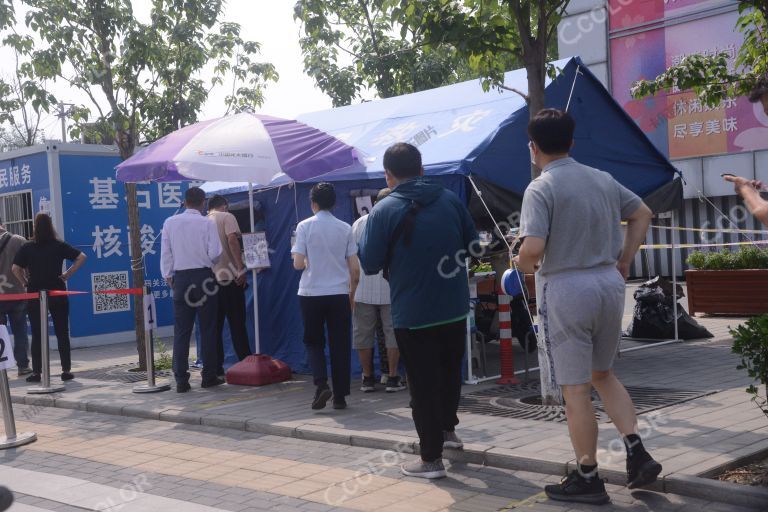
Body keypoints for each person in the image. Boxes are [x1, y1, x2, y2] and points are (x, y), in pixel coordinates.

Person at [515, 109, 658, 504]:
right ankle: (636, 450)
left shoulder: (540, 188)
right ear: (572, 143)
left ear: (533, 148)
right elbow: (642, 212)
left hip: (566, 288)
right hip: (609, 285)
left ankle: (589, 476)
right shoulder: (602, 179)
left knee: (575, 391)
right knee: (604, 374)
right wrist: (626, 258)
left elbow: (533, 249)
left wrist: (521, 264)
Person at [359, 143, 478, 480]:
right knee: (449, 373)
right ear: (422, 169)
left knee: (422, 385)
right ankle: (447, 432)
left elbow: (368, 263)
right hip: (454, 307)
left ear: (388, 175)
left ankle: (430, 459)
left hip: (413, 312)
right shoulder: (450, 200)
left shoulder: (382, 211)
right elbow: (474, 246)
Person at [292, 182, 358, 411]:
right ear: (335, 203)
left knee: (314, 341)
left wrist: (307, 260)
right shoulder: (345, 228)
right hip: (339, 292)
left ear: (313, 203)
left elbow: (298, 264)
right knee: (340, 343)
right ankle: (340, 397)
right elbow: (354, 268)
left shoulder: (304, 226)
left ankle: (321, 384)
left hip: (311, 292)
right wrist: (352, 294)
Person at [160, 187, 223, 392]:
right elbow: (215, 252)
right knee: (208, 329)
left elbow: (166, 253)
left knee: (182, 330)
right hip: (203, 276)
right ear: (203, 202)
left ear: (184, 202)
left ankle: (181, 379)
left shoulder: (170, 222)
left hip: (181, 278)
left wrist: (169, 275)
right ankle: (209, 376)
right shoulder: (207, 223)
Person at [12, 213, 86, 383]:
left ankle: (37, 372)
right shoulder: (58, 245)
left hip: (35, 294)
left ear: (34, 227)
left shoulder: (28, 247)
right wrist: (67, 274)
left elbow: (15, 268)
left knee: (37, 334)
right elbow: (82, 257)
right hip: (57, 293)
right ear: (51, 226)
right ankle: (66, 370)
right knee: (62, 332)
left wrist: (25, 282)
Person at [350, 188, 405, 393]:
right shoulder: (398, 222)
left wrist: (351, 289)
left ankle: (367, 378)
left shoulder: (358, 223)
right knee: (393, 333)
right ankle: (392, 377)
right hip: (391, 289)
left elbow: (352, 261)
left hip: (363, 288)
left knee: (363, 335)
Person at [207, 195, 252, 373]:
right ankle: (245, 363)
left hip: (209, 281)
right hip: (230, 278)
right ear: (225, 206)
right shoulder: (227, 217)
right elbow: (232, 239)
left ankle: (216, 367)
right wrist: (240, 268)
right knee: (237, 324)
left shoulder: (203, 221)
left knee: (215, 327)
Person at [0, 220, 31, 376]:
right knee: (20, 331)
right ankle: (23, 365)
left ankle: (2, 368)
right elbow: (29, 263)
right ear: (3, 224)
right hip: (17, 293)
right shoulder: (18, 240)